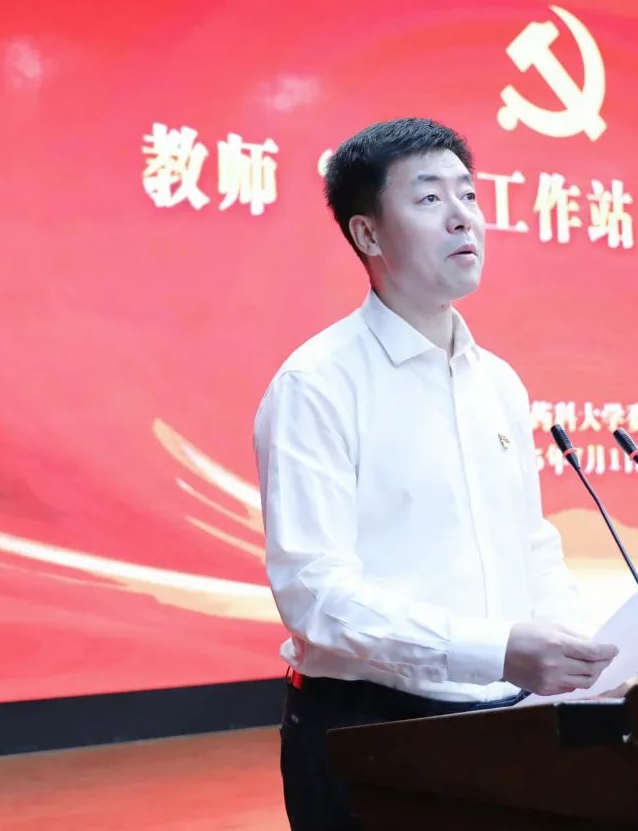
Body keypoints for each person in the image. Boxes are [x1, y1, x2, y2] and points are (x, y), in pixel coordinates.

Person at [253, 117, 618, 830]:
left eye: (469, 195)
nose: (463, 217)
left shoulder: (498, 382)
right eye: (428, 198)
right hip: (369, 735)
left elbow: (529, 544)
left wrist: (573, 648)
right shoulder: (317, 384)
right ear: (368, 234)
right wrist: (493, 650)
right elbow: (315, 595)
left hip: (505, 723)